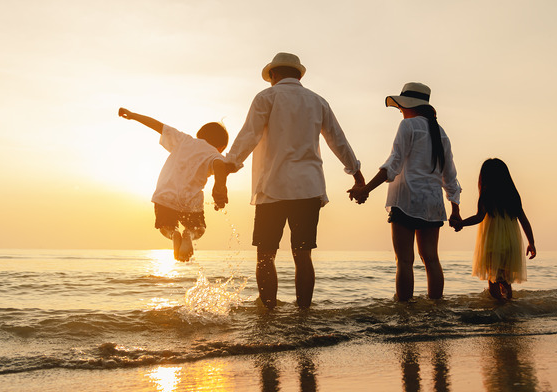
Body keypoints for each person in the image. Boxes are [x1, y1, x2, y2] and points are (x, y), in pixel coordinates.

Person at [212, 52, 365, 310]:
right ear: (299, 74)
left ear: (273, 74)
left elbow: (248, 135)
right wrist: (357, 177)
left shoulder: (266, 97)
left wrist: (228, 167)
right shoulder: (318, 101)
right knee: (303, 255)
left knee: (265, 256)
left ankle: (269, 314)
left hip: (272, 188)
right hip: (308, 189)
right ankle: (303, 314)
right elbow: (338, 140)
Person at [348, 82, 461, 301]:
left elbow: (393, 165)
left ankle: (404, 311)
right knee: (431, 259)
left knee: (405, 260)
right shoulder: (441, 132)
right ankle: (436, 309)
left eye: (401, 107)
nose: (400, 110)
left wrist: (365, 190)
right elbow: (450, 176)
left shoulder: (408, 127)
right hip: (432, 203)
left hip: (406, 200)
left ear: (410, 106)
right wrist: (455, 209)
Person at [118, 107, 230, 262]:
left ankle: (174, 234)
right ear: (221, 147)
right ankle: (188, 234)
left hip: (165, 196)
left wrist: (133, 115)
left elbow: (158, 126)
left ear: (200, 135)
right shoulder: (214, 154)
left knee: (165, 227)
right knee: (198, 229)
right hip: (190, 201)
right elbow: (219, 165)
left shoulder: (184, 140)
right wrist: (220, 187)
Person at [449, 158, 536, 300]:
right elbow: (524, 221)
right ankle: (508, 306)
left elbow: (479, 217)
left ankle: (498, 307)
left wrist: (461, 224)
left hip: (493, 244)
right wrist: (531, 243)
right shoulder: (513, 195)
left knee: (493, 278)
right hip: (511, 245)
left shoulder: (487, 195)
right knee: (505, 280)